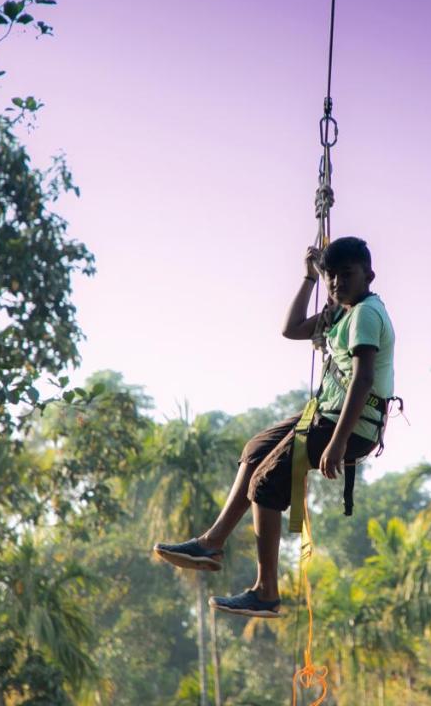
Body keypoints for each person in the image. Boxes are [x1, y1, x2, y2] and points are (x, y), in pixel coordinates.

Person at [153, 236, 396, 618]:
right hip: (326, 416)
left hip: (350, 425)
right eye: (331, 276)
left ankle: (266, 591)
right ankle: (212, 542)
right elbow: (292, 329)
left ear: (369, 275)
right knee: (255, 450)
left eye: (345, 275)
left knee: (265, 483)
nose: (337, 283)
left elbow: (363, 380)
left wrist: (337, 442)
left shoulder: (366, 313)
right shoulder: (342, 312)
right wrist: (309, 279)